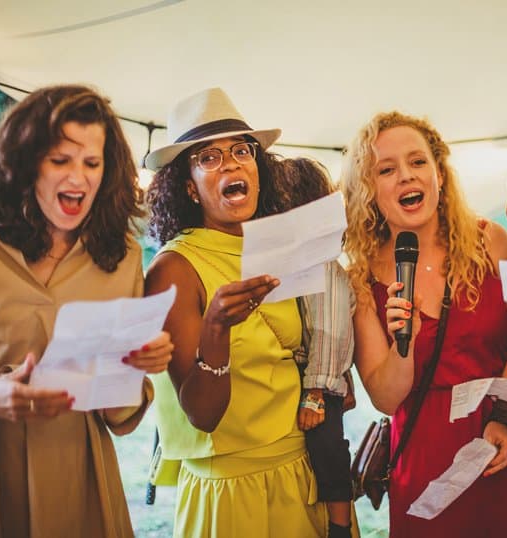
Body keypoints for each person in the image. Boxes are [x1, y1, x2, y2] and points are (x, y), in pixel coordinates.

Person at [0, 84, 173, 538]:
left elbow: (118, 414)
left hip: (80, 477)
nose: (79, 178)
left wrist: (138, 364)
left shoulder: (121, 255)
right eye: (60, 160)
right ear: (24, 162)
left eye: (92, 163)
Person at [341, 111, 507, 537]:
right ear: (369, 189)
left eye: (417, 162)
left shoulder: (489, 239)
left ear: (439, 172)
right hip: (427, 462)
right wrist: (405, 344)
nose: (406, 176)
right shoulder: (361, 278)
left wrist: (504, 418)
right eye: (387, 169)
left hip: (505, 442)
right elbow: (385, 398)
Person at [143, 87, 328, 537]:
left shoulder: (277, 248)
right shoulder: (173, 269)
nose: (230, 163)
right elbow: (202, 415)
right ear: (189, 186)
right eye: (208, 157)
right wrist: (216, 329)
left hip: (301, 470)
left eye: (241, 151)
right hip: (228, 488)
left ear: (257, 170)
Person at [283, 157, 356, 538]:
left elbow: (329, 331)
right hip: (321, 374)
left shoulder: (323, 269)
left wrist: (316, 390)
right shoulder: (301, 266)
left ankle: (340, 528)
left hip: (318, 383)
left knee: (329, 450)